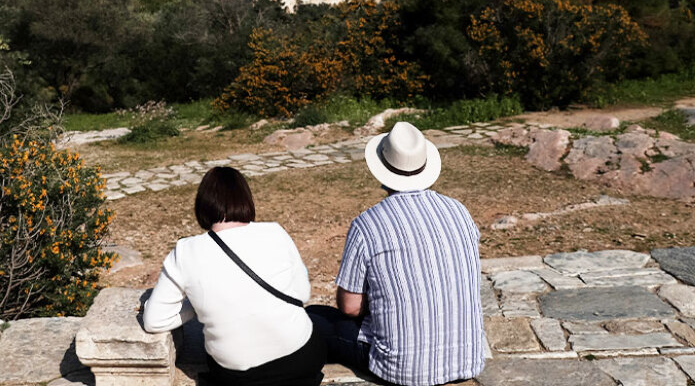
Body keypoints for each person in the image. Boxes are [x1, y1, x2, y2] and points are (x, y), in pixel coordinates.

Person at [309, 121, 485, 386]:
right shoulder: (459, 211)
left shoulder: (367, 225)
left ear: (382, 170)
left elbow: (350, 306)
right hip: (468, 359)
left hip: (403, 369)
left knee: (315, 318)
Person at [142, 166, 325, 386]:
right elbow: (302, 295)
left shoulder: (185, 251)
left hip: (238, 375)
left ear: (202, 205)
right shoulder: (276, 232)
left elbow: (154, 320)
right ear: (246, 199)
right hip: (300, 360)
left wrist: (200, 303)